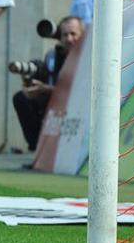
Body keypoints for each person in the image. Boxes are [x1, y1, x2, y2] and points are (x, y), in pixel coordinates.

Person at [11, 15, 84, 152]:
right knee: (22, 98)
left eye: (73, 34)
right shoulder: (53, 56)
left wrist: (46, 89)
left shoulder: (88, 56)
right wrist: (30, 86)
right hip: (55, 103)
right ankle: (38, 149)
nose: (69, 39)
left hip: (80, 105)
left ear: (82, 35)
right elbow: (45, 79)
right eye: (65, 35)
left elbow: (82, 91)